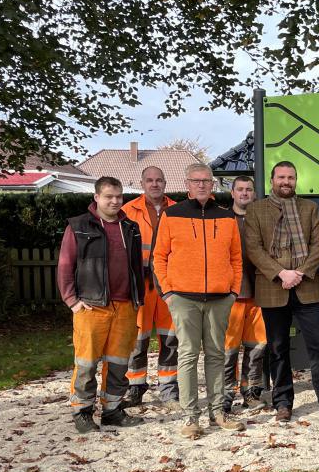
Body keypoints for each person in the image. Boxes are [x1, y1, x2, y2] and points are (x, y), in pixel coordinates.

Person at [245, 161, 319, 424]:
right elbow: (254, 248)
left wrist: (299, 273)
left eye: (290, 177)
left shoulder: (309, 208)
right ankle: (283, 403)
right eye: (281, 177)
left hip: (306, 288)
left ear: (296, 180)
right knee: (278, 349)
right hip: (272, 288)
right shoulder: (256, 210)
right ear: (272, 180)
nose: (286, 182)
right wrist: (281, 273)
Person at [153, 163, 242, 439]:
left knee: (217, 355)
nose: (202, 185)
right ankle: (190, 416)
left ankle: (217, 412)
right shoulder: (172, 214)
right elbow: (159, 257)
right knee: (188, 355)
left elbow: (236, 258)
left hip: (219, 298)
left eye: (206, 181)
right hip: (183, 298)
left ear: (212, 184)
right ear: (187, 184)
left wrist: (233, 292)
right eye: (196, 181)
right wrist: (168, 293)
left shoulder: (226, 218)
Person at [57, 176, 145, 432]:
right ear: (96, 197)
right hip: (91, 306)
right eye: (109, 196)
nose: (115, 201)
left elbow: (136, 267)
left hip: (125, 306)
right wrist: (72, 301)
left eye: (119, 196)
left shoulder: (130, 226)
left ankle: (112, 410)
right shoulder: (79, 226)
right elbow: (65, 266)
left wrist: (137, 299)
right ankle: (82, 412)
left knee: (119, 363)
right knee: (86, 363)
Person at [122, 165, 179, 409]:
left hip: (170, 285)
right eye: (149, 180)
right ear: (142, 183)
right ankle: (136, 387)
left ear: (165, 182)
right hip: (141, 284)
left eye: (158, 180)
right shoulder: (128, 210)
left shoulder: (179, 210)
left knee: (171, 337)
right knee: (138, 338)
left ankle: (169, 389)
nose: (154, 184)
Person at [222, 175, 267, 416]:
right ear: (232, 193)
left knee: (257, 347)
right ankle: (226, 394)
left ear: (254, 193)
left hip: (260, 293)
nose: (244, 193)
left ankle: (251, 392)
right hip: (231, 295)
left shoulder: (262, 219)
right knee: (228, 349)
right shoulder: (222, 219)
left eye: (249, 189)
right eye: (240, 189)